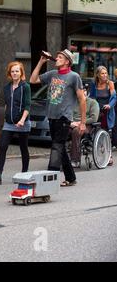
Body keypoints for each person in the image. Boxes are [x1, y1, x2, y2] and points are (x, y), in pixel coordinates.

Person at [30, 49, 86, 187]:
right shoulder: (52, 74)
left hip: (64, 117)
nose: (57, 58)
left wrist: (83, 122)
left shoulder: (74, 76)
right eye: (57, 57)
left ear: (67, 61)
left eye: (60, 57)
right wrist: (41, 61)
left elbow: (82, 99)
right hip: (51, 116)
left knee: (56, 147)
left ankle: (51, 179)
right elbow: (33, 80)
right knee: (59, 147)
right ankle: (71, 178)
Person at [0, 62, 31, 185]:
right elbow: (7, 104)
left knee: (23, 148)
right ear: (9, 73)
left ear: (21, 73)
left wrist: (22, 120)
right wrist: (6, 117)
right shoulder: (6, 88)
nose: (15, 73)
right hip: (9, 123)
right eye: (12, 71)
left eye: (17, 71)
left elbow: (27, 105)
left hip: (23, 122)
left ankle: (24, 173)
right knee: (3, 146)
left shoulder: (25, 87)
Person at [89, 66, 116, 165]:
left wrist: (109, 105)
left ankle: (109, 156)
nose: (105, 75)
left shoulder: (110, 84)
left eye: (106, 73)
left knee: (106, 132)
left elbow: (114, 98)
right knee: (95, 132)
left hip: (107, 111)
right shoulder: (94, 85)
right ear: (98, 75)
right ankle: (98, 151)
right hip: (96, 110)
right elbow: (91, 97)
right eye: (102, 73)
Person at [69, 84, 100, 168]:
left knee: (76, 131)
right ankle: (59, 159)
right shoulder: (73, 103)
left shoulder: (93, 103)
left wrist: (81, 122)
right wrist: (71, 123)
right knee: (62, 129)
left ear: (87, 92)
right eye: (80, 90)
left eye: (84, 90)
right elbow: (68, 115)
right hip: (72, 124)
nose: (82, 92)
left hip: (87, 126)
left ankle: (75, 160)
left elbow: (94, 118)